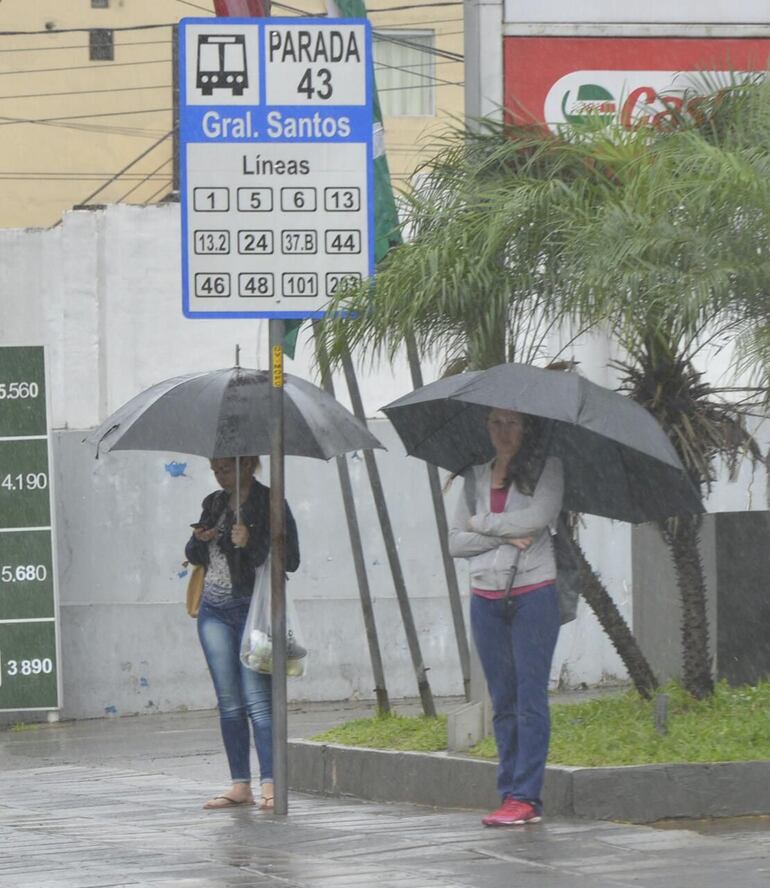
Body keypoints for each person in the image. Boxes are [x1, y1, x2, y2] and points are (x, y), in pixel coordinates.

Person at [449, 408, 563, 827]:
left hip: (534, 593)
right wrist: (502, 535)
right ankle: (508, 793)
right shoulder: (474, 477)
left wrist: (481, 524)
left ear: (526, 427)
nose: (504, 431)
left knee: (529, 698)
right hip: (485, 596)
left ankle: (526, 797)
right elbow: (455, 543)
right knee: (503, 701)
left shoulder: (547, 469)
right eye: (495, 422)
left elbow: (538, 518)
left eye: (512, 422)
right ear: (486, 426)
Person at [185, 455, 300, 811]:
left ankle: (271, 784)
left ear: (247, 465)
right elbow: (193, 554)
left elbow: (291, 558)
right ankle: (240, 784)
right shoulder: (214, 503)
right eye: (215, 470)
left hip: (254, 610)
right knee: (229, 702)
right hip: (214, 611)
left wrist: (250, 540)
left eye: (225, 469)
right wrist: (200, 539)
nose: (219, 476)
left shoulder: (271, 502)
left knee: (258, 701)